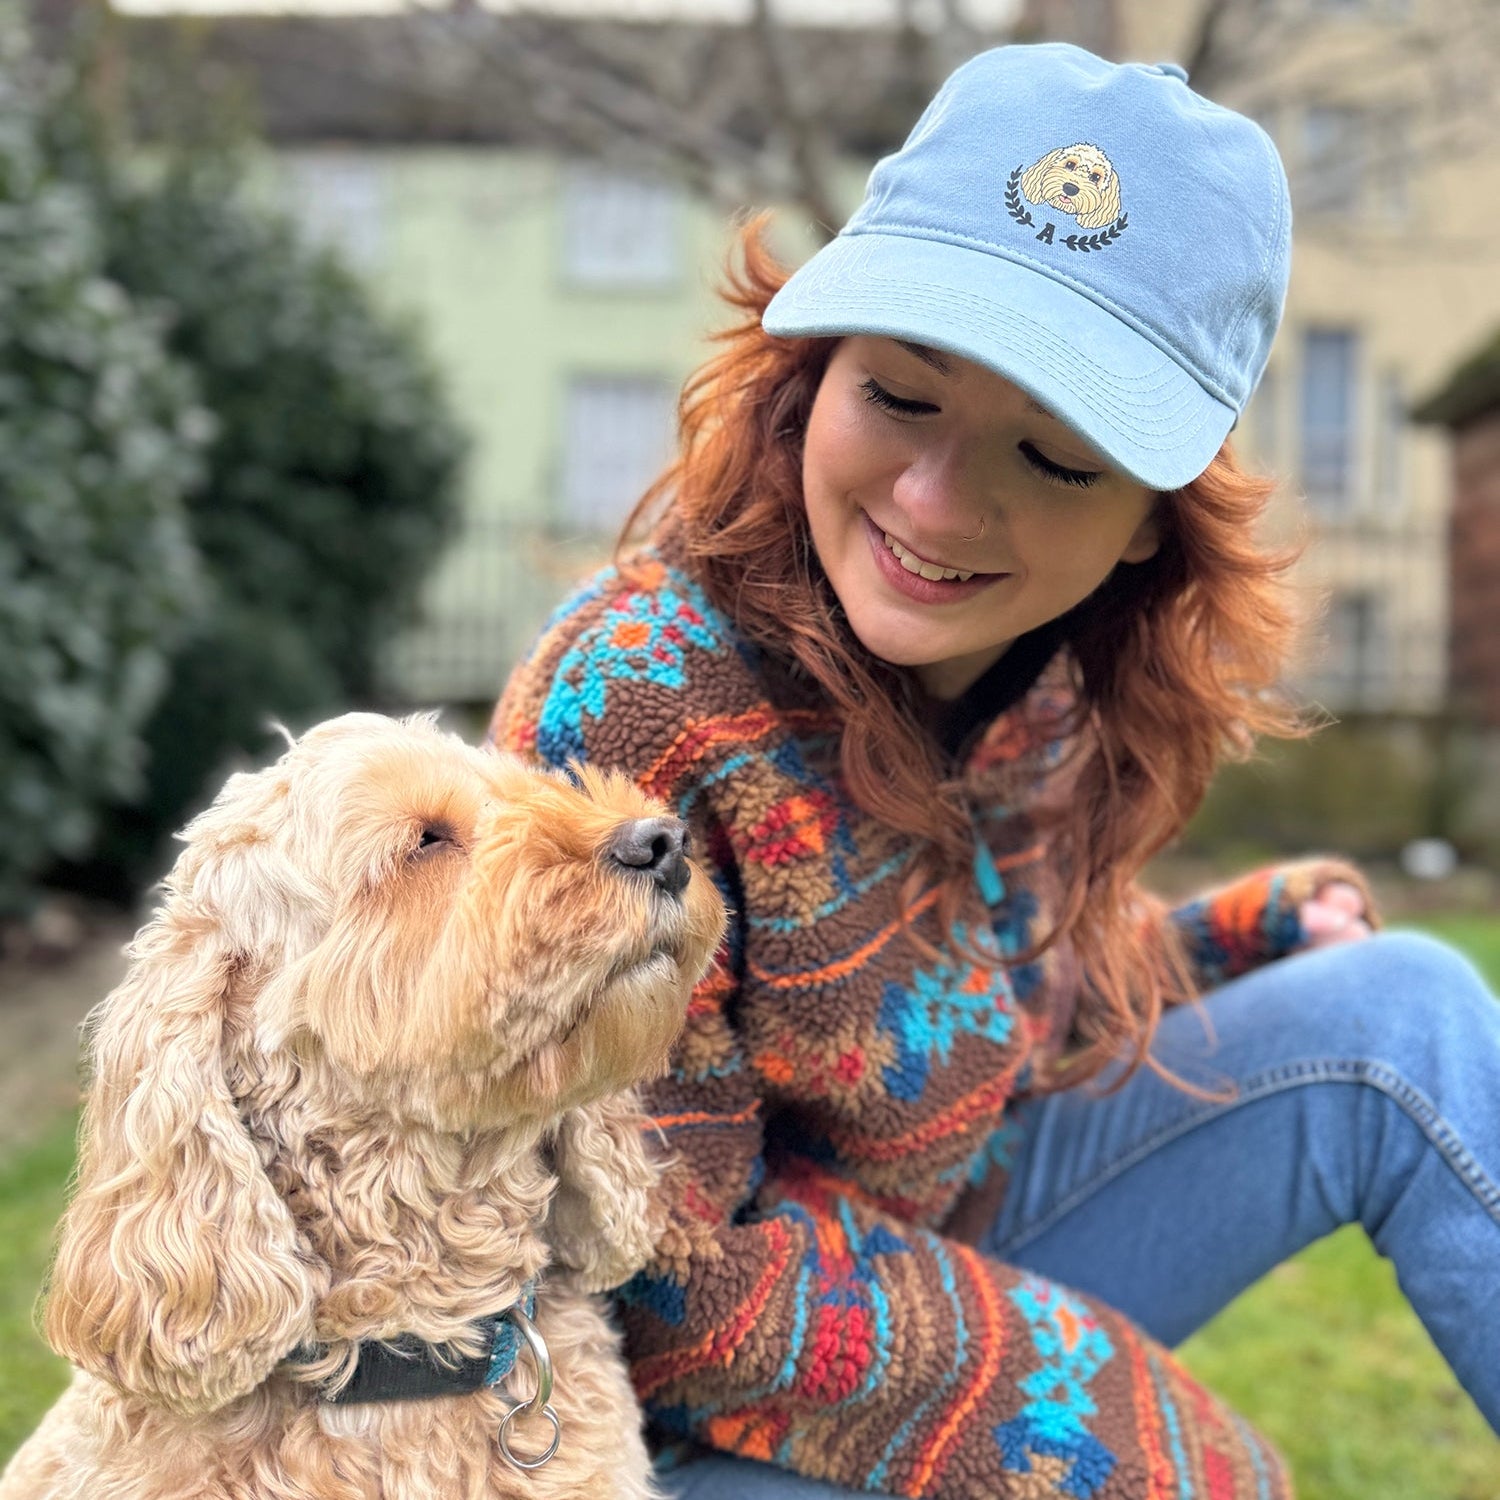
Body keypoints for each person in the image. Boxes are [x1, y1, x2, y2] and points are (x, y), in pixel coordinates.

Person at [489, 42, 1500, 1499]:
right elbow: (648, 1282)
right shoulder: (639, 712)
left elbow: (983, 1022)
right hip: (655, 1436)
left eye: (1059, 458)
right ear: (811, 369)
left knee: (1406, 1010)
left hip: (938, 1248)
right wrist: (1094, 1407)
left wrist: (1234, 939)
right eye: (902, 396)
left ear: (1154, 519)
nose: (936, 503)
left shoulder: (1034, 675)